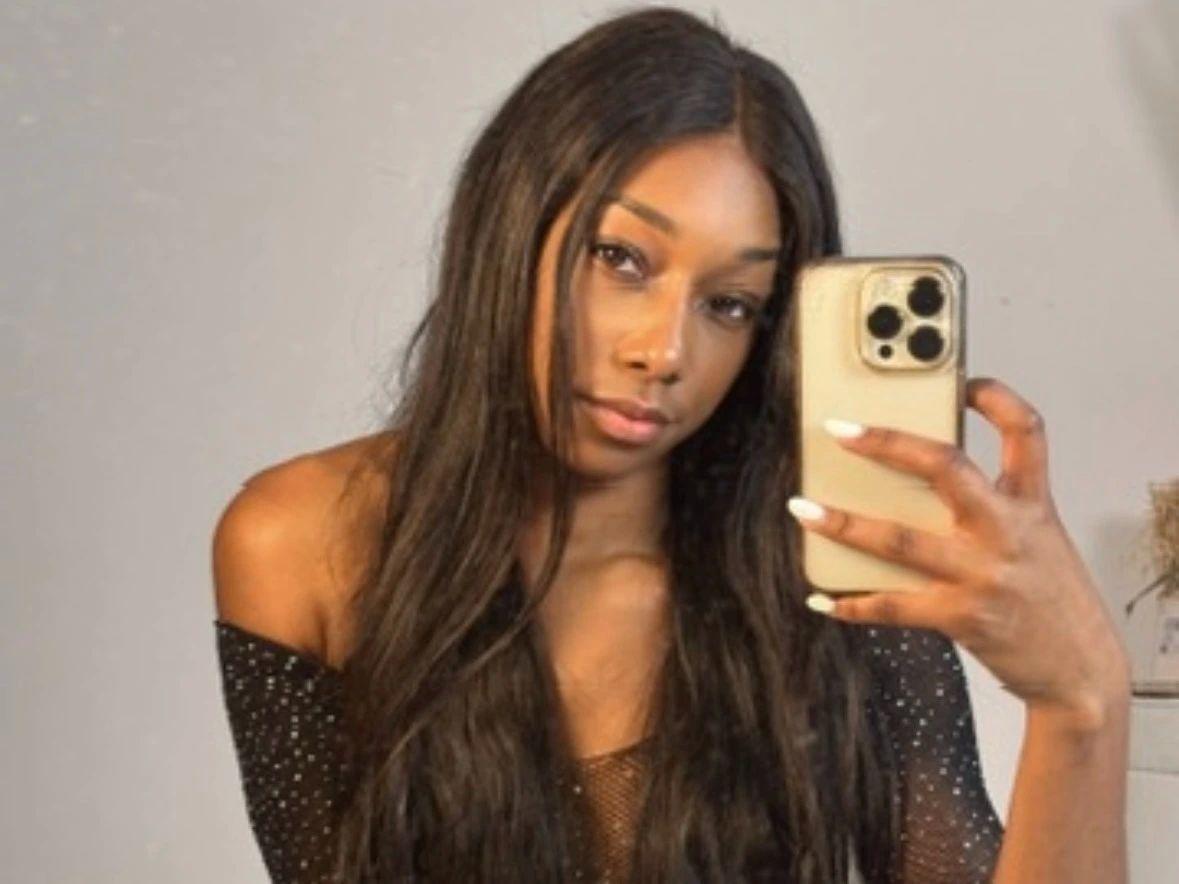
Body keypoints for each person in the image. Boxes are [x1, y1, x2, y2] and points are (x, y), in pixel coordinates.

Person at [211, 6, 1131, 882]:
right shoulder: (304, 544)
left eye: (728, 304)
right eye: (620, 260)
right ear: (510, 223)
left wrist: (1081, 701)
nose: (664, 352)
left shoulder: (829, 574)